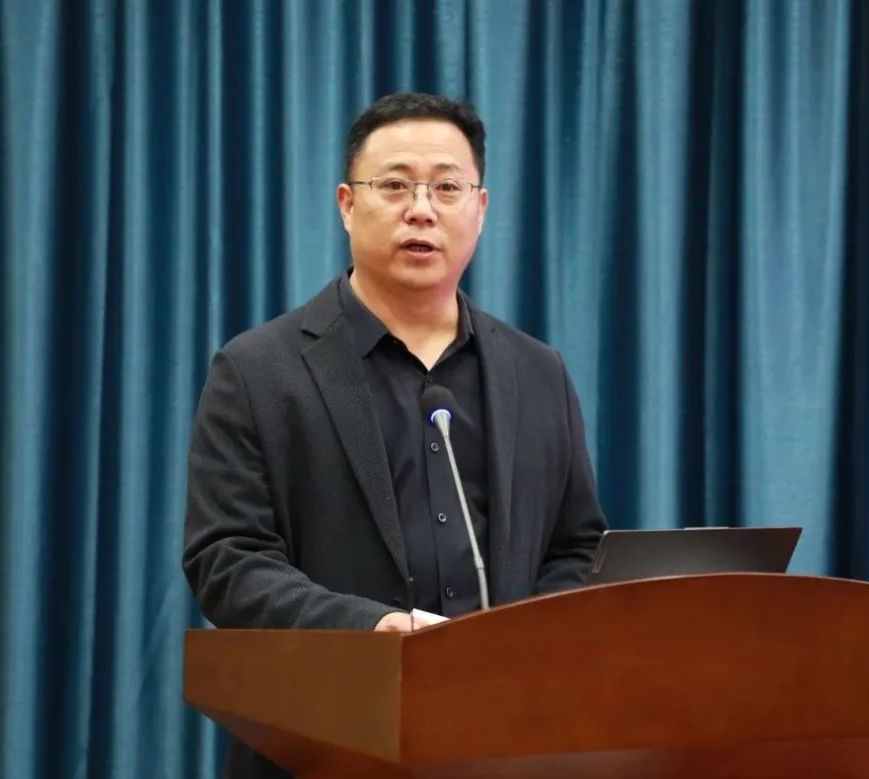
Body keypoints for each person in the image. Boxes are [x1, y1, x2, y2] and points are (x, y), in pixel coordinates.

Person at [182, 92, 608, 778]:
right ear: (347, 204)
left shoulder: (537, 372)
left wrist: (522, 641)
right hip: (322, 740)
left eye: (447, 187)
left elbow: (576, 545)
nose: (422, 209)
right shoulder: (258, 370)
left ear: (481, 209)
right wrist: (370, 630)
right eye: (395, 185)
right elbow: (227, 559)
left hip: (506, 741)